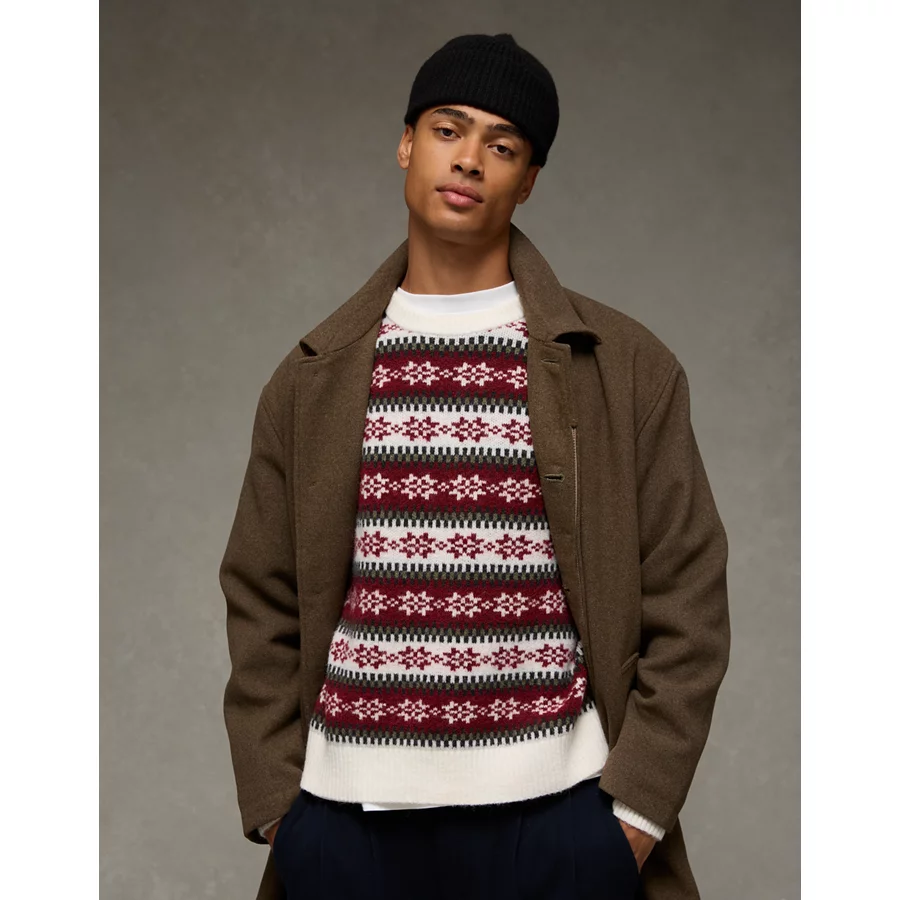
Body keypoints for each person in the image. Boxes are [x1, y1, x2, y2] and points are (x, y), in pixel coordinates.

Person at [219, 32, 730, 900]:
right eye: (449, 129)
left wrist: (636, 816)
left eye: (503, 144)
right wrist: (280, 809)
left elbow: (689, 596)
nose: (469, 160)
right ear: (406, 143)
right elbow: (259, 592)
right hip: (347, 828)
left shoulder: (626, 367)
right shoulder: (311, 379)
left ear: (528, 180)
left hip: (560, 820)